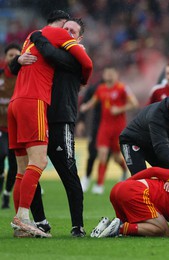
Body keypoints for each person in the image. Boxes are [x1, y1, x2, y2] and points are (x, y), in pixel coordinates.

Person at [7, 10, 93, 238]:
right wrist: (18, 59)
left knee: (62, 171)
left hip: (58, 117)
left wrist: (38, 37)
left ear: (79, 38)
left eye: (72, 31)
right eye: (65, 29)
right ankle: (31, 220)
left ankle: (77, 225)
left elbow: (57, 56)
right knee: (32, 165)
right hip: (36, 108)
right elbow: (14, 67)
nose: (66, 33)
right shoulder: (47, 42)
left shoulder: (71, 52)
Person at [80, 66, 138, 194]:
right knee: (102, 154)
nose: (109, 76)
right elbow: (93, 101)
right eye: (107, 74)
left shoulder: (122, 88)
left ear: (116, 75)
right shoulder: (101, 89)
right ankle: (99, 185)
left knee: (117, 157)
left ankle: (123, 170)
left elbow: (134, 103)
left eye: (111, 73)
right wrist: (85, 107)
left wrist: (120, 108)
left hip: (118, 128)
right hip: (104, 127)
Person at [90, 178, 169, 238]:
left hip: (120, 187)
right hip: (135, 191)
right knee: (164, 232)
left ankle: (106, 226)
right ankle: (120, 227)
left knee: (137, 232)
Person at [0, 43, 20, 209]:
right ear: (5, 58)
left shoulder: (25, 75)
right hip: (1, 127)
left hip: (18, 127)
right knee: (1, 155)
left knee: (14, 165)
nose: (13, 58)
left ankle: (6, 194)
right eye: (10, 56)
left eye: (16, 56)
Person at [76, 80, 104, 192]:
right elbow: (85, 104)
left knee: (114, 156)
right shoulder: (96, 88)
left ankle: (123, 172)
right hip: (97, 126)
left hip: (114, 128)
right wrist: (81, 121)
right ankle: (88, 178)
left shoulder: (121, 89)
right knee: (93, 152)